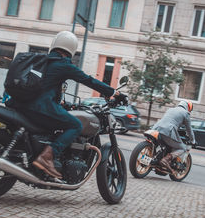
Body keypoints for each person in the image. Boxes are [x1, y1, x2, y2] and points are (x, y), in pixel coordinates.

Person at [7, 31, 122, 179]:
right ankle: (47, 156)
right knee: (75, 125)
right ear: (71, 50)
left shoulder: (44, 62)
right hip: (39, 108)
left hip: (22, 105)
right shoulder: (63, 65)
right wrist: (113, 92)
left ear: (54, 46)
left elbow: (46, 89)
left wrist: (61, 104)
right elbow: (88, 80)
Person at [152, 100, 196, 174]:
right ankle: (165, 160)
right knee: (182, 148)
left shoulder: (171, 109)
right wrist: (193, 140)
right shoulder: (186, 113)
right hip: (168, 131)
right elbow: (189, 130)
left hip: (156, 128)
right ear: (188, 107)